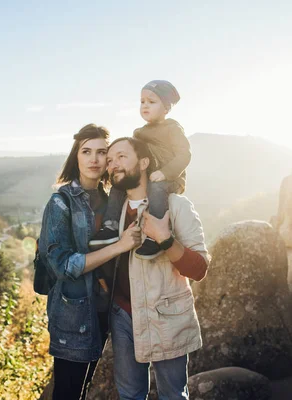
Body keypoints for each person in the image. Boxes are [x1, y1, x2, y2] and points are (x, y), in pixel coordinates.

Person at [38, 124, 142, 400]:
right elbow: (61, 265)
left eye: (101, 153)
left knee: (82, 391)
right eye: (86, 152)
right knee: (68, 393)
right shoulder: (61, 203)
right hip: (72, 313)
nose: (94, 159)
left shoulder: (112, 201)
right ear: (77, 157)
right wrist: (119, 246)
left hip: (103, 312)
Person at [105, 137, 210, 400]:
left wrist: (165, 240)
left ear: (144, 163)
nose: (112, 164)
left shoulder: (176, 206)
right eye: (109, 160)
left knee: (173, 395)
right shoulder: (110, 213)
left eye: (121, 157)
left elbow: (199, 269)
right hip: (123, 316)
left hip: (166, 316)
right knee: (129, 396)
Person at [90, 80, 191, 260]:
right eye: (142, 101)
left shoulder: (172, 129)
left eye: (152, 102)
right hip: (148, 175)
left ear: (166, 108)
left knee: (156, 188)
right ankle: (111, 227)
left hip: (170, 178)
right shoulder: (139, 133)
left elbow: (184, 155)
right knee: (117, 188)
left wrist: (166, 173)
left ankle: (155, 235)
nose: (145, 105)